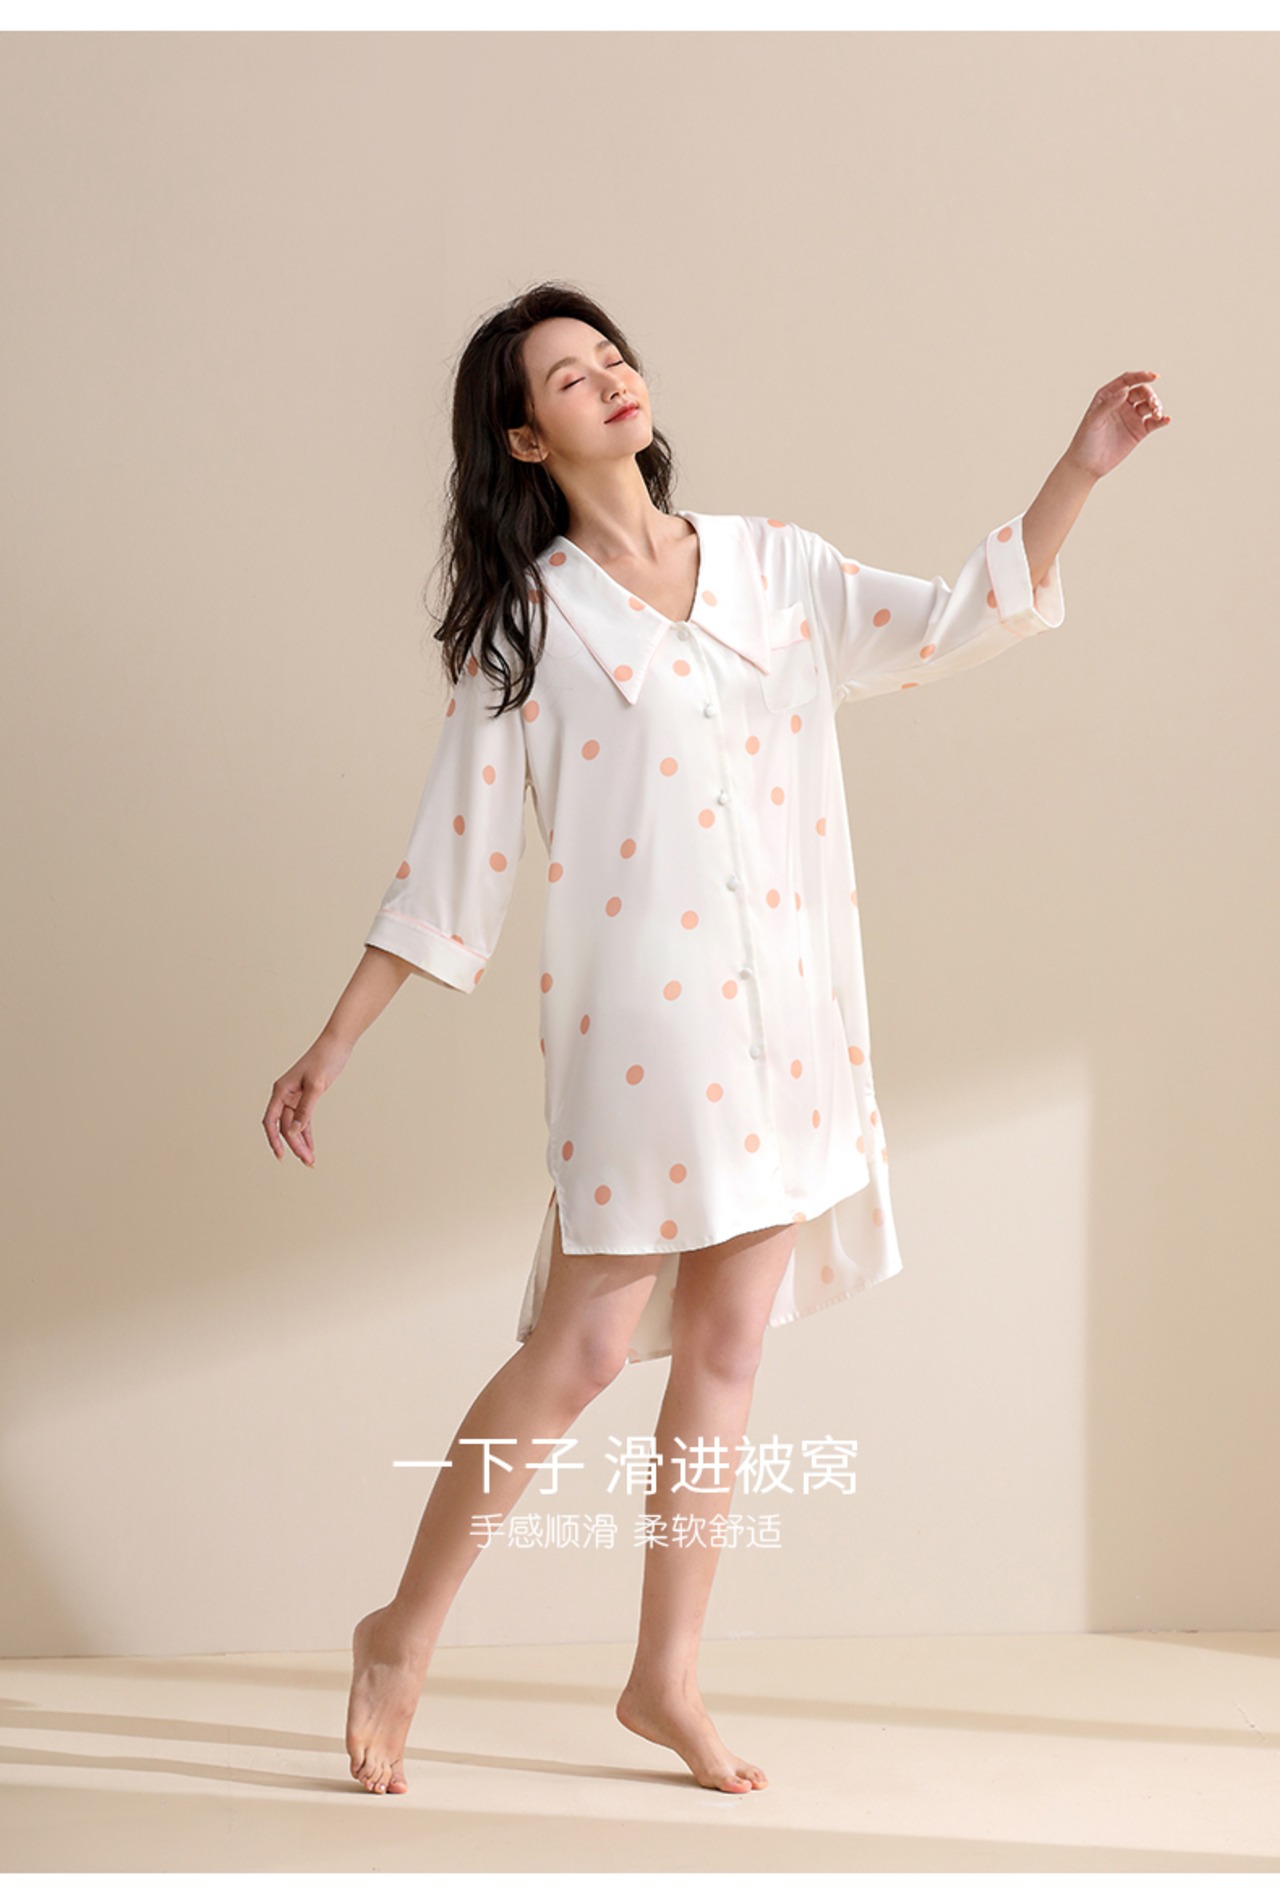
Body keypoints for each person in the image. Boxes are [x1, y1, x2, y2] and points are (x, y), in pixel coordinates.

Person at [262, 282, 1169, 1797]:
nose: (609, 378)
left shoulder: (775, 567)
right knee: (582, 1349)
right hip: (640, 1034)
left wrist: (1078, 470)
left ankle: (664, 1676)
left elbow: (956, 618)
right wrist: (333, 1042)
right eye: (568, 376)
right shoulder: (528, 629)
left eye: (612, 355)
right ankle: (400, 1632)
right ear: (523, 437)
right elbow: (450, 866)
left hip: (790, 1021)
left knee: (733, 1345)